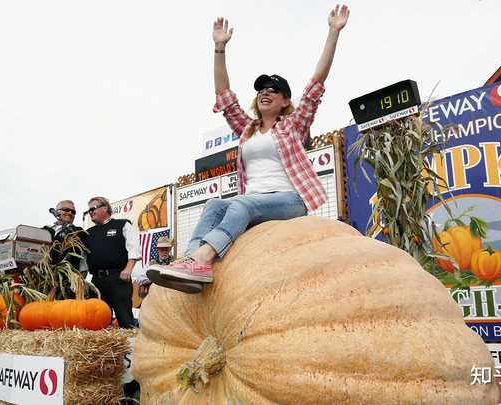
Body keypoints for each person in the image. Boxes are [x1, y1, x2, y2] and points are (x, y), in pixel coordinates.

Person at [148, 5, 350, 291]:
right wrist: (219, 48)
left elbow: (316, 84)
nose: (265, 92)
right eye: (261, 89)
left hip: (288, 201)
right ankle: (192, 263)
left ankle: (203, 257)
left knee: (241, 203)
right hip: (253, 201)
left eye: (273, 89)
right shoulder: (247, 129)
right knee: (215, 204)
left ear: (284, 101)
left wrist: (333, 32)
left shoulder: (293, 124)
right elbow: (224, 95)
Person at [84, 196, 139, 328]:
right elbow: (84, 259)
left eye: (93, 208)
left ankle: (127, 348)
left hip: (119, 278)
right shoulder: (88, 233)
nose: (90, 212)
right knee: (98, 322)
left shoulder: (122, 225)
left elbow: (134, 249)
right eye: (88, 210)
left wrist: (128, 269)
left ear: (105, 208)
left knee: (125, 320)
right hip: (96, 282)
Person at [43, 200, 88, 274]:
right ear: (57, 211)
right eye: (66, 210)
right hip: (44, 277)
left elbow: (83, 263)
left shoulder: (79, 232)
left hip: (68, 279)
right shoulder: (45, 230)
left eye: (73, 212)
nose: (70, 213)